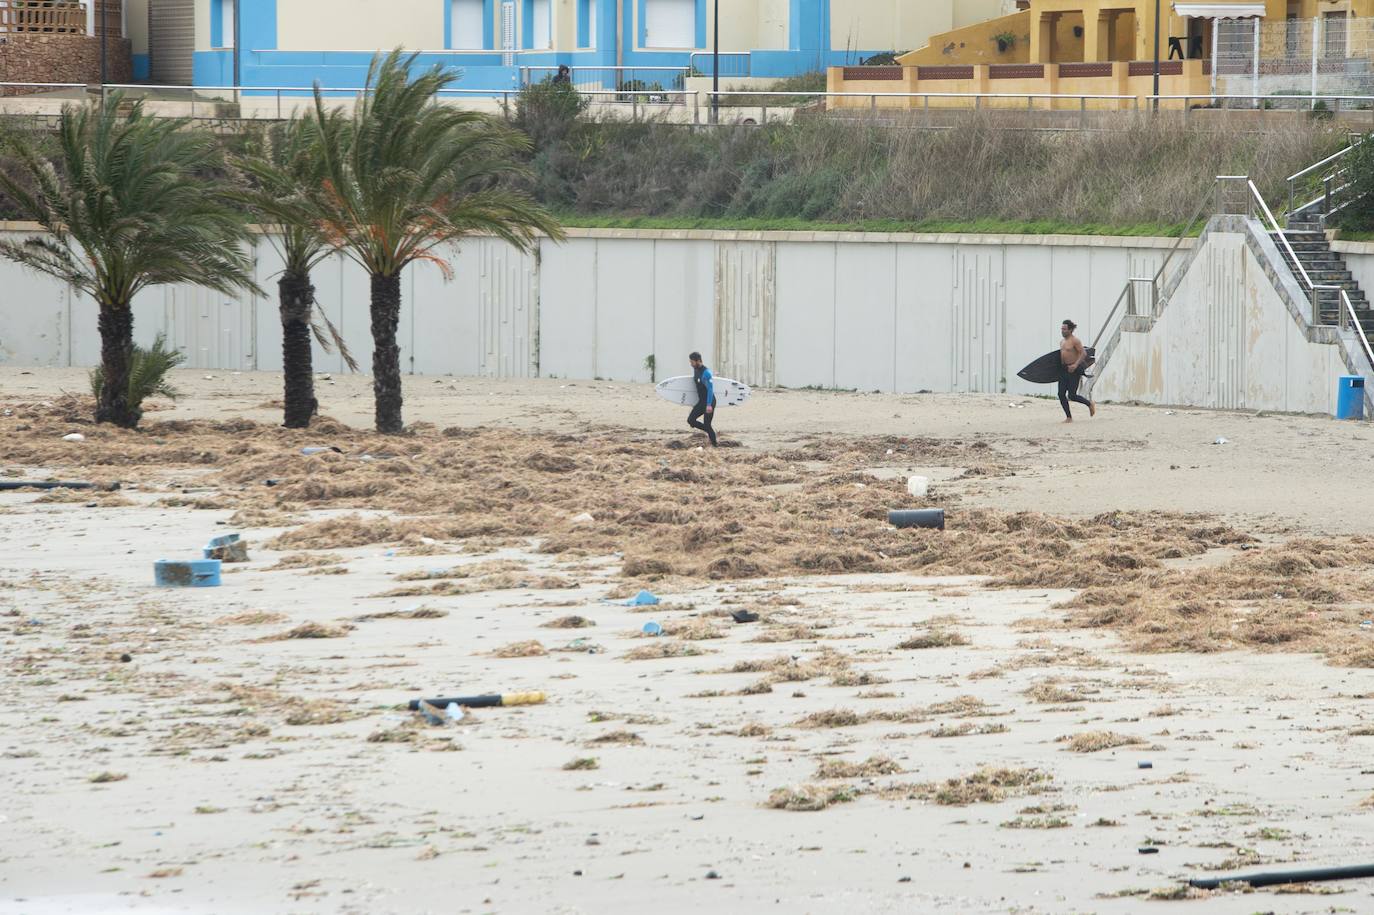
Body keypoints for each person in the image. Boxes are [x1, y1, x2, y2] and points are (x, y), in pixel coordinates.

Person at [1058, 319, 1095, 423]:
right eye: (1062, 329)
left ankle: (1089, 404)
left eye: (1064, 329)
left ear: (1070, 330)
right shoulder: (1062, 342)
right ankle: (1069, 417)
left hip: (1074, 370)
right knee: (1061, 394)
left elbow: (1083, 353)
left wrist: (1075, 365)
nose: (1062, 331)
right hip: (1063, 370)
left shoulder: (1075, 341)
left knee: (1072, 395)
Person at [687, 351, 717, 446]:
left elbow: (710, 389)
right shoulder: (696, 369)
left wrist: (709, 405)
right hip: (701, 401)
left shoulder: (706, 373)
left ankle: (715, 445)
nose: (691, 364)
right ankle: (709, 431)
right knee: (691, 420)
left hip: (709, 401)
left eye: (692, 362)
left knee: (707, 425)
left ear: (698, 361)